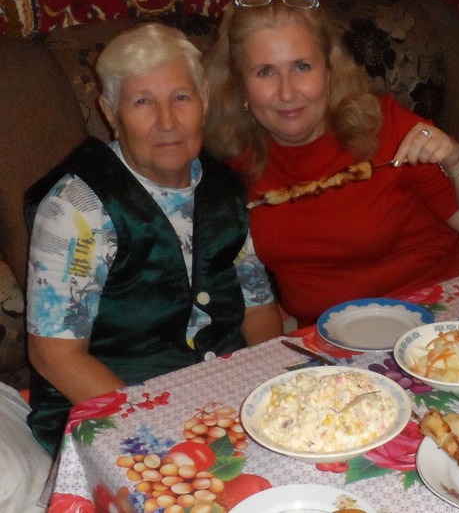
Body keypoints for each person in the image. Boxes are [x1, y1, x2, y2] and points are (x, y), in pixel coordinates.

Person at [23, 22, 282, 457]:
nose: (167, 122)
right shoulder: (76, 208)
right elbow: (55, 357)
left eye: (181, 98)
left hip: (218, 398)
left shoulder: (224, 187)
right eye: (142, 101)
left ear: (204, 101)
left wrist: (274, 387)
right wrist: (158, 426)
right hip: (110, 410)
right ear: (110, 113)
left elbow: (257, 308)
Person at [205, 0, 459, 327]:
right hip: (324, 338)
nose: (287, 92)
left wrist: (455, 158)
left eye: (302, 67)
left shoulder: (385, 129)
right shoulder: (231, 166)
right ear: (239, 84)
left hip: (439, 316)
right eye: (265, 72)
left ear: (329, 69)